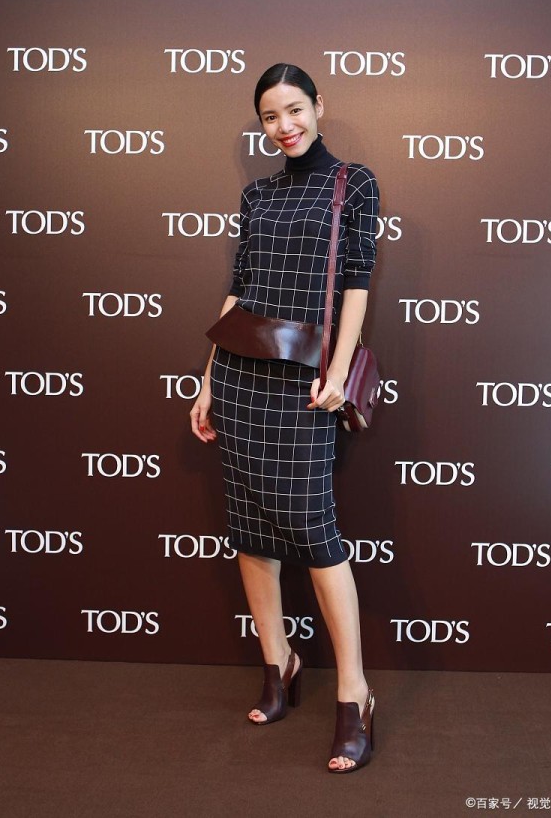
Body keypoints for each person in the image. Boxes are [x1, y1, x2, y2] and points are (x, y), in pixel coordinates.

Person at [190, 63, 379, 773]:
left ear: (318, 106)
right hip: (242, 376)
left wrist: (338, 371)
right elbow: (239, 290)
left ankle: (354, 694)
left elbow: (356, 283)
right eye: (271, 116)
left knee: (315, 531)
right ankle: (279, 663)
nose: (285, 126)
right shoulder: (257, 194)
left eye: (295, 109)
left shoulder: (353, 183)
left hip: (305, 381)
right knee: (249, 529)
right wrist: (208, 377)